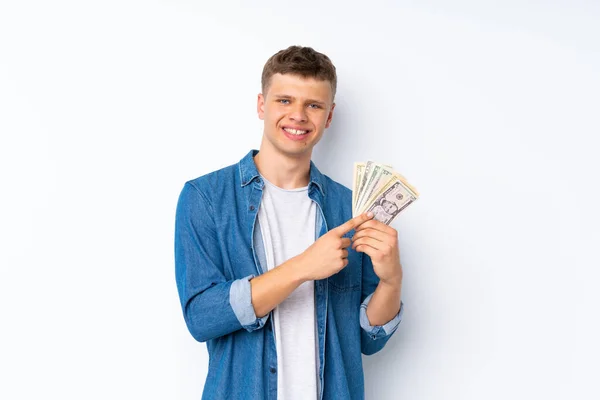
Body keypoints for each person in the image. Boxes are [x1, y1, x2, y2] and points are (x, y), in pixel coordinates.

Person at [174, 45, 405, 400]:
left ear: (328, 117)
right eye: (284, 101)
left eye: (313, 105)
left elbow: (366, 341)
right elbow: (203, 318)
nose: (298, 115)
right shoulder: (206, 198)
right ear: (261, 105)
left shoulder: (351, 207)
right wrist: (302, 267)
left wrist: (391, 280)